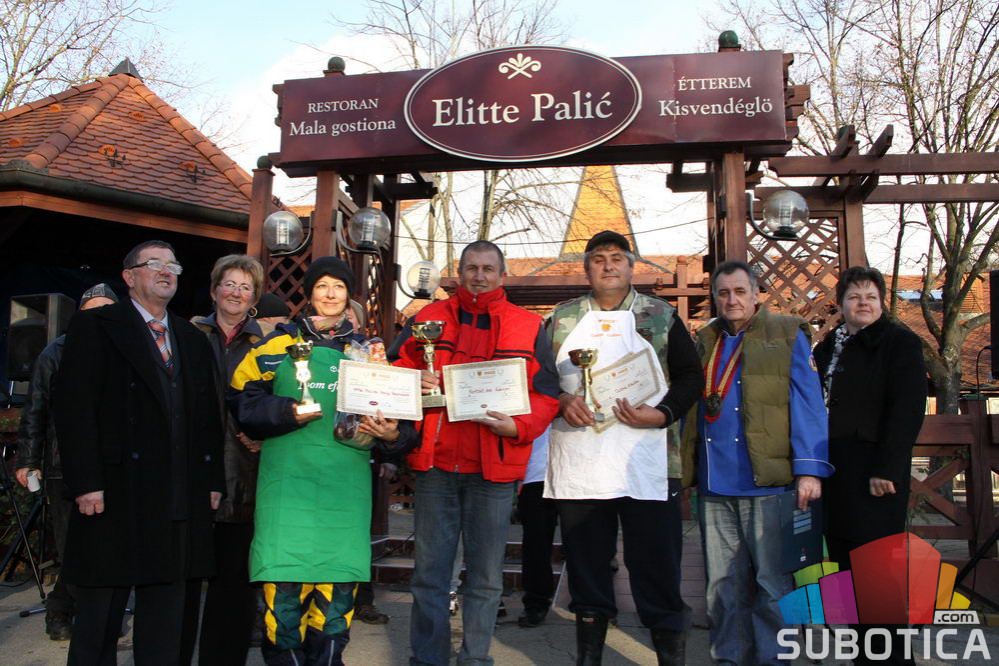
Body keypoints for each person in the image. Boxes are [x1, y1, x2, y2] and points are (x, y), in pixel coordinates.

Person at [228, 256, 415, 666]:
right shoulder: (276, 345)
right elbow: (241, 402)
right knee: (284, 599)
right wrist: (287, 412)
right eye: (322, 286)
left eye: (339, 287)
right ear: (309, 293)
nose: (330, 294)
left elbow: (401, 426)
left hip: (343, 496)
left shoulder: (370, 353)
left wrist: (391, 436)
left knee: (335, 601)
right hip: (287, 493)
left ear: (349, 295)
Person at [54, 241, 225, 664]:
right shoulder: (96, 326)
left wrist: (211, 481)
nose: (166, 271)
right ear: (129, 276)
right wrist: (86, 482)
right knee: (100, 619)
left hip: (176, 494)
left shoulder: (191, 337)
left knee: (166, 619)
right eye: (154, 264)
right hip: (115, 493)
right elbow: (74, 408)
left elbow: (207, 418)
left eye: (173, 265)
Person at [393, 240, 560, 666]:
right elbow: (394, 370)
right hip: (435, 465)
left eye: (488, 269)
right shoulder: (427, 319)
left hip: (494, 469)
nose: (479, 276)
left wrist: (518, 427)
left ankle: (475, 659)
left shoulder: (528, 325)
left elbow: (546, 394)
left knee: (486, 579)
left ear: (502, 275)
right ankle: (427, 660)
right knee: (430, 576)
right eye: (471, 268)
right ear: (459, 273)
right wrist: (412, 382)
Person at [545, 230, 704, 666]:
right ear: (586, 269)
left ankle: (669, 656)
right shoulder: (561, 318)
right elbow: (538, 377)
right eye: (598, 259)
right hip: (582, 461)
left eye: (617, 258)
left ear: (632, 267)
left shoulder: (661, 315)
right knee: (587, 566)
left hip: (648, 461)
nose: (608, 265)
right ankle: (589, 657)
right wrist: (561, 400)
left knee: (656, 566)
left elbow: (691, 376)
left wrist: (664, 413)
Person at [681, 260, 832, 665]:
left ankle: (773, 659)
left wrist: (810, 470)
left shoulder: (787, 333)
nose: (731, 300)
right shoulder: (706, 340)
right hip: (715, 483)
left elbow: (808, 404)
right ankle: (729, 659)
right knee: (721, 585)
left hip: (768, 482)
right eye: (723, 293)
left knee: (771, 584)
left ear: (756, 294)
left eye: (739, 291)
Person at [813, 266, 926, 665]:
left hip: (875, 477)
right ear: (840, 303)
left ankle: (893, 661)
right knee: (846, 575)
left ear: (881, 303)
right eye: (854, 296)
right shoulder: (827, 346)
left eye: (870, 297)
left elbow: (907, 409)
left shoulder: (900, 343)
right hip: (835, 474)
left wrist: (887, 468)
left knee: (877, 578)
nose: (863, 303)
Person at [15, 283, 118, 641]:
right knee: (73, 546)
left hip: (113, 466)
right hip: (64, 466)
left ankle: (80, 612)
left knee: (104, 547)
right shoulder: (55, 352)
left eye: (107, 310)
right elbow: (35, 409)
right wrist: (28, 459)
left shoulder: (124, 350)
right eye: (92, 311)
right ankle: (67, 614)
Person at [181, 254, 270, 665]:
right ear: (215, 289)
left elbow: (276, 401)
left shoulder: (268, 344)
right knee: (182, 581)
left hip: (244, 472)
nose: (236, 293)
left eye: (245, 287)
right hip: (190, 472)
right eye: (229, 284)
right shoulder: (187, 335)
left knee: (234, 584)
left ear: (254, 297)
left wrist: (263, 432)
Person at [515, 426, 558, 628]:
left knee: (584, 543)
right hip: (535, 473)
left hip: (580, 471)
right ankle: (535, 602)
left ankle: (594, 607)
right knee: (535, 542)